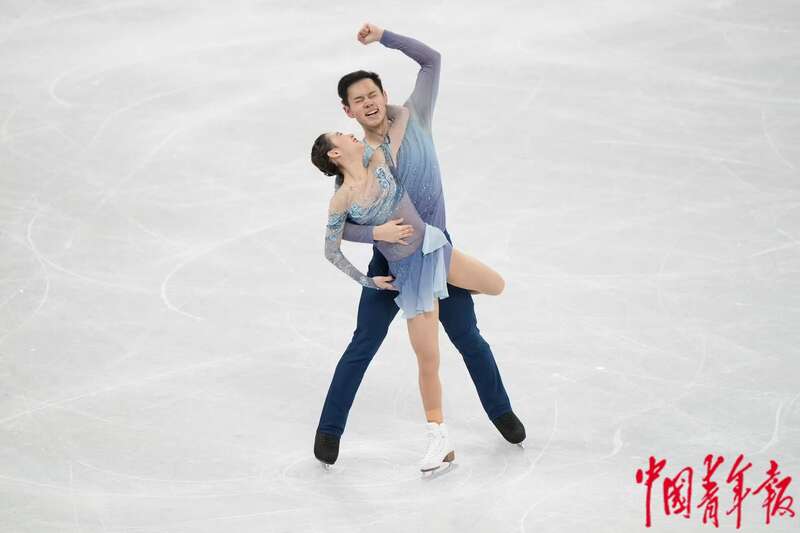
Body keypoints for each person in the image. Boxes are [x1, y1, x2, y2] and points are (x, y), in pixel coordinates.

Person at [314, 23, 526, 469]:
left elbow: (432, 61)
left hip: (436, 251)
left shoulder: (415, 116)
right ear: (348, 111)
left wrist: (384, 36)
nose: (368, 102)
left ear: (383, 95)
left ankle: (501, 412)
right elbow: (342, 227)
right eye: (358, 100)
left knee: (468, 338)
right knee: (363, 343)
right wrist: (377, 235)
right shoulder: (357, 159)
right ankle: (329, 430)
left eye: (373, 94)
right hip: (391, 265)